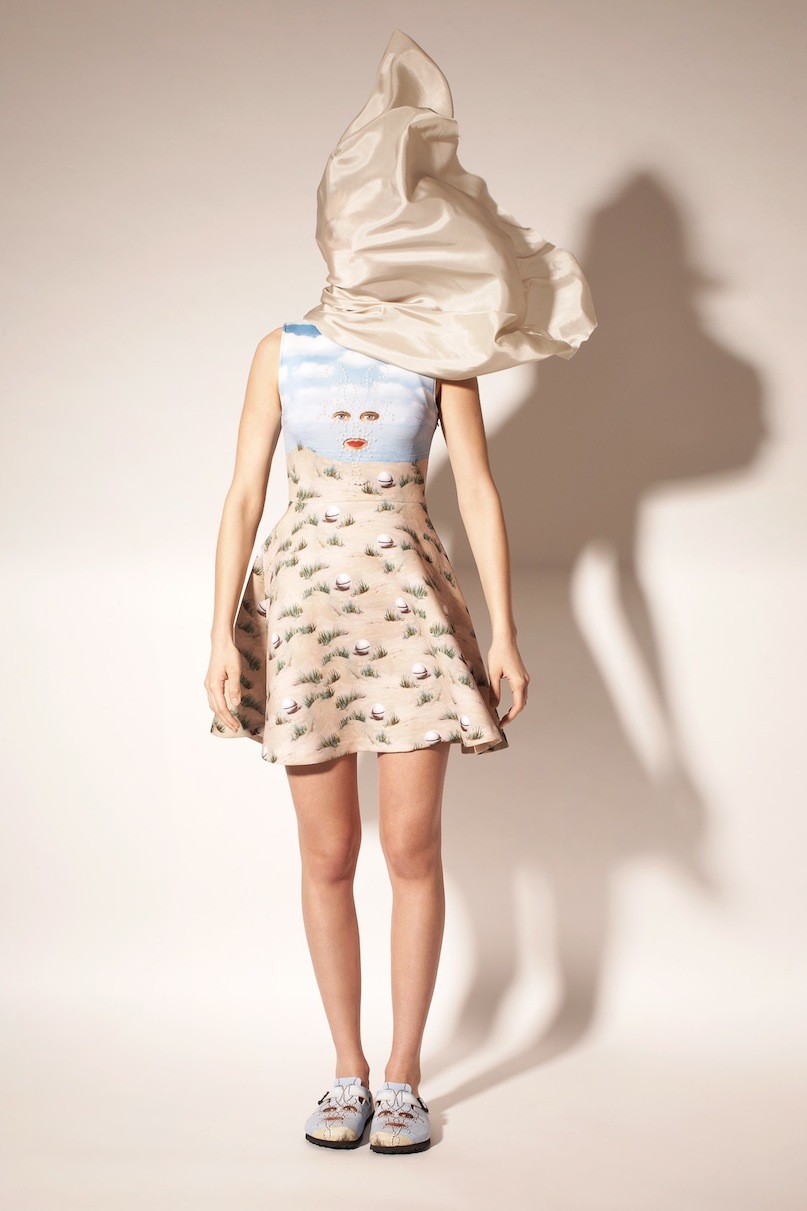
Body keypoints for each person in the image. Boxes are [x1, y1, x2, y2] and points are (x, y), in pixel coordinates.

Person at [205, 30, 595, 1155]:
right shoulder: (281, 350)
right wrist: (220, 632)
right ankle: (346, 1069)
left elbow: (478, 492)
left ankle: (407, 1076)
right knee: (326, 854)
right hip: (306, 623)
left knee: (413, 849)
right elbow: (242, 495)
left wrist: (505, 634)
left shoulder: (441, 354)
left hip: (415, 623)